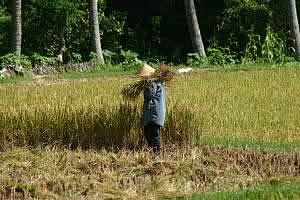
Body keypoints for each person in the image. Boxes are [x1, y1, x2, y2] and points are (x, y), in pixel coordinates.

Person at [136, 64, 166, 154]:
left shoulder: (152, 83)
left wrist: (143, 87)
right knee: (147, 130)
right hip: (153, 111)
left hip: (154, 112)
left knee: (153, 132)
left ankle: (157, 153)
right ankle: (152, 151)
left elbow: (151, 95)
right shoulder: (156, 82)